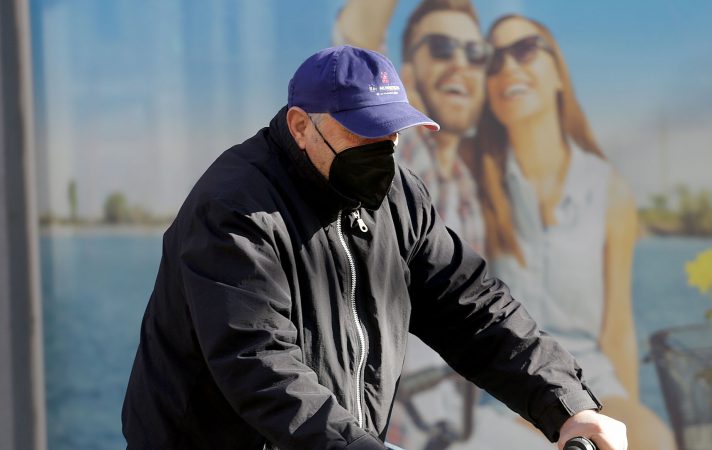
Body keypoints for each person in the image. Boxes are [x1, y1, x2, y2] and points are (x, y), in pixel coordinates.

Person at [121, 45, 627, 450]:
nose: (381, 152)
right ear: (301, 126)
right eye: (363, 132)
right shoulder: (234, 208)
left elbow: (473, 307)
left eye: (391, 133)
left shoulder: (399, 196)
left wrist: (567, 405)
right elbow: (259, 364)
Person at [470, 14, 675, 450]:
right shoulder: (473, 181)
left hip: (592, 381)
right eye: (492, 60)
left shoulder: (609, 189)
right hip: (505, 386)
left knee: (655, 440)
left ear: (559, 73)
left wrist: (622, 428)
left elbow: (617, 326)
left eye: (524, 49)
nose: (508, 67)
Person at [336, 1, 489, 448]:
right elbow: (357, 35)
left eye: (475, 53)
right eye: (441, 47)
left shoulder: (470, 184)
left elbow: (473, 305)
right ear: (407, 72)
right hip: (378, 431)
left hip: (452, 427)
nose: (460, 63)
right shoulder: (399, 155)